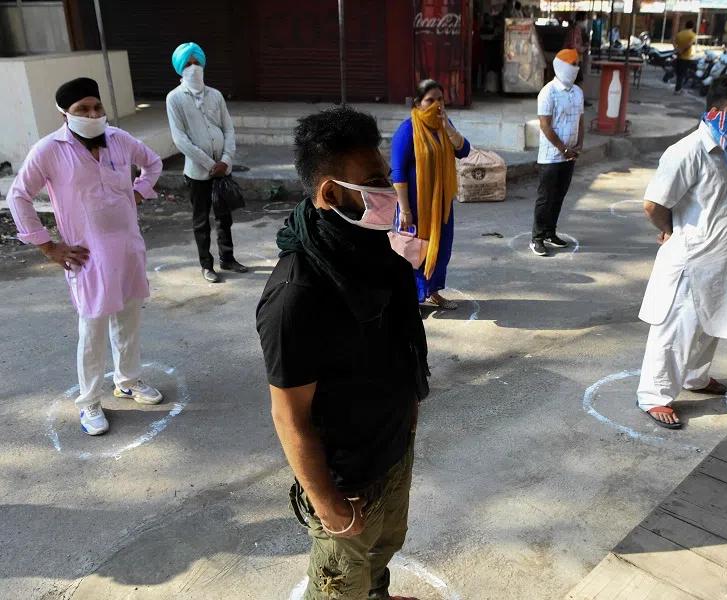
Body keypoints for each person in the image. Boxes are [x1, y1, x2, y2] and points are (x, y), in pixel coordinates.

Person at [257, 105, 428, 600]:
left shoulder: (374, 252)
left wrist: (409, 414)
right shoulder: (297, 296)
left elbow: (398, 344)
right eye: (375, 181)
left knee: (384, 548)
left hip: (393, 449)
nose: (389, 191)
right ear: (331, 194)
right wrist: (328, 505)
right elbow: (290, 417)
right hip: (346, 479)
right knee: (339, 585)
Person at [6, 78, 164, 435]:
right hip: (87, 255)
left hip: (128, 247)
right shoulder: (49, 149)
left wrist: (138, 192)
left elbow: (152, 163)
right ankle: (89, 402)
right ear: (65, 114)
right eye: (82, 109)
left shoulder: (119, 139)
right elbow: (19, 195)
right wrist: (48, 245)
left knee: (129, 320)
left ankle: (127, 381)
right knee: (92, 329)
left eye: (97, 107)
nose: (92, 114)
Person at [636, 75, 727, 428]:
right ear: (715, 111)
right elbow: (653, 204)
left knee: (712, 323)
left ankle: (695, 377)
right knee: (677, 328)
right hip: (694, 259)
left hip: (726, 260)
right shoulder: (687, 151)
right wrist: (670, 230)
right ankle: (654, 395)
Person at [166, 42, 247, 284]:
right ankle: (206, 265)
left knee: (224, 217)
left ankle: (228, 258)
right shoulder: (175, 98)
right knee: (201, 220)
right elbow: (180, 139)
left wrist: (225, 159)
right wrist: (208, 162)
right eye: (188, 64)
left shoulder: (216, 95)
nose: (193, 68)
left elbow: (228, 128)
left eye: (196, 63)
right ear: (180, 69)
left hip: (223, 169)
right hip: (198, 172)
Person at [391, 80, 471, 310]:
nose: (436, 105)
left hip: (442, 204)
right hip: (415, 205)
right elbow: (398, 172)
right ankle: (410, 298)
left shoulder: (443, 125)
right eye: (430, 100)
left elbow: (463, 151)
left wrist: (447, 127)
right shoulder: (407, 130)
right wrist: (404, 209)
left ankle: (433, 292)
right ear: (417, 103)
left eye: (440, 100)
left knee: (441, 248)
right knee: (415, 251)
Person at [531, 49, 585, 257]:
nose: (576, 68)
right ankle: (536, 238)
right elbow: (545, 126)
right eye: (573, 64)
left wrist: (579, 144)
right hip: (551, 156)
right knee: (545, 197)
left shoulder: (577, 92)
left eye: (577, 64)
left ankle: (550, 232)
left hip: (570, 155)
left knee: (559, 196)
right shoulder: (548, 92)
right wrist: (563, 148)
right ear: (562, 66)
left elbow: (580, 119)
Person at [674, 20, 697, 95]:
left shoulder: (680, 33)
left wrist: (678, 51)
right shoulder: (692, 34)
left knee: (678, 74)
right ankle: (678, 89)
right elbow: (690, 44)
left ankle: (678, 88)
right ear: (692, 27)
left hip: (678, 57)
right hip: (686, 57)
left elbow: (674, 43)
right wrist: (683, 51)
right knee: (683, 74)